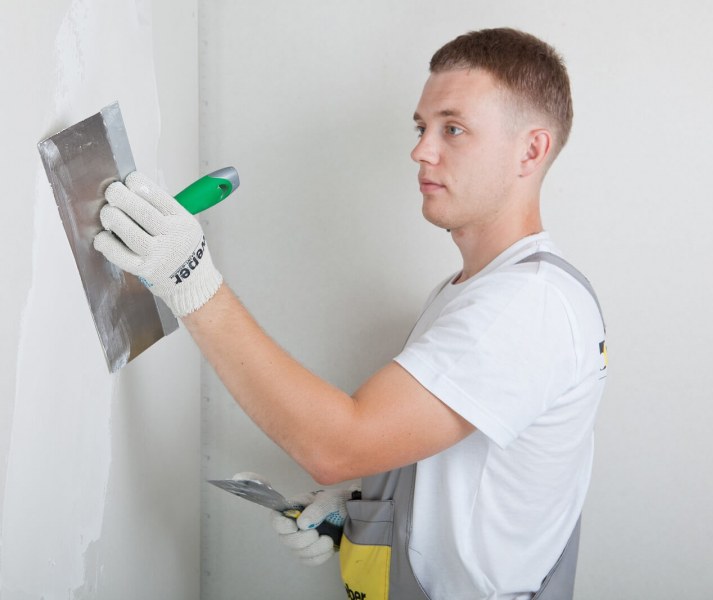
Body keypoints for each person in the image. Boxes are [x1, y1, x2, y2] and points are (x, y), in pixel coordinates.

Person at [93, 27, 607, 600]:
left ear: (530, 151)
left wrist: (191, 280)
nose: (421, 150)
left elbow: (337, 446)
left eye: (453, 129)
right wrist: (363, 512)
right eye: (421, 127)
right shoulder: (476, 291)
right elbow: (455, 469)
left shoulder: (524, 305)